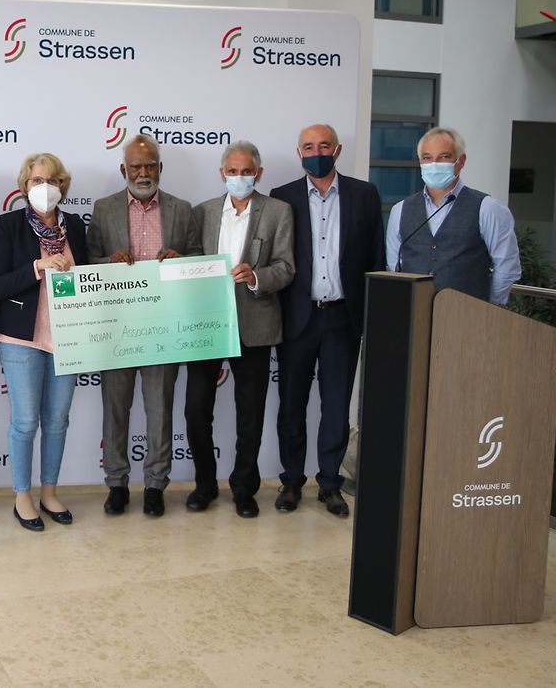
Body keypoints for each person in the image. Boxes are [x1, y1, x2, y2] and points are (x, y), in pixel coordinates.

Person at [269, 124, 384, 518]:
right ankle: (291, 481)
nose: (315, 152)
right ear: (298, 153)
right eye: (308, 147)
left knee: (336, 407)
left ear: (337, 150)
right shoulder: (282, 196)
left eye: (323, 146)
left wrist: (370, 316)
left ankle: (330, 484)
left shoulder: (364, 194)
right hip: (296, 318)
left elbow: (376, 258)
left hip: (342, 318)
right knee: (291, 406)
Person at [86, 135, 201, 517]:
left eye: (150, 165)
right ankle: (116, 484)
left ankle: (155, 485)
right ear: (124, 170)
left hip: (164, 328)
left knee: (160, 411)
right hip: (116, 326)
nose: (143, 172)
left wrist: (182, 260)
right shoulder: (103, 209)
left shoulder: (182, 210)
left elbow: (199, 260)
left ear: (160, 168)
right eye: (136, 166)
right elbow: (86, 262)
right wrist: (108, 262)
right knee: (115, 410)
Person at [183, 141, 294, 518]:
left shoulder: (278, 211)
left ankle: (244, 488)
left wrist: (256, 276)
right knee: (196, 409)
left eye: (247, 171)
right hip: (207, 324)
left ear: (258, 174)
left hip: (255, 324)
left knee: (250, 412)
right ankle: (204, 484)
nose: (239, 177)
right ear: (222, 174)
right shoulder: (203, 212)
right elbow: (190, 263)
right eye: (233, 171)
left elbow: (286, 267)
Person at [0, 153, 89, 531]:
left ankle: (49, 491)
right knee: (26, 420)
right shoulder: (8, 225)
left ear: (63, 185)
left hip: (69, 338)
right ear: (23, 186)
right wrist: (37, 267)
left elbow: (90, 277)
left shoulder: (75, 225)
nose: (44, 187)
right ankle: (22, 496)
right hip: (22, 338)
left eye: (52, 180)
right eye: (36, 180)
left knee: (58, 420)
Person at [386, 127, 521, 305]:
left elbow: (507, 267)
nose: (434, 164)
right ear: (420, 162)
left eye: (444, 156)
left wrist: (488, 309)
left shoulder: (488, 208)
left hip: (468, 314)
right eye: (427, 158)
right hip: (414, 313)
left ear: (461, 160)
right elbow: (395, 266)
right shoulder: (400, 210)